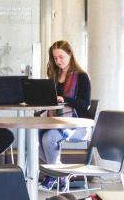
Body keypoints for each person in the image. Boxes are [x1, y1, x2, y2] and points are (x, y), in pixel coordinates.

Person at [37, 41, 92, 190]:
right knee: (34, 137)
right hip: (57, 122)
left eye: (61, 57)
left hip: (78, 125)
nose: (58, 61)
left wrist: (65, 99)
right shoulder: (54, 76)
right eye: (55, 58)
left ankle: (52, 176)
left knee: (49, 138)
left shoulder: (81, 76)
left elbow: (85, 104)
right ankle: (60, 175)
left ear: (70, 54)